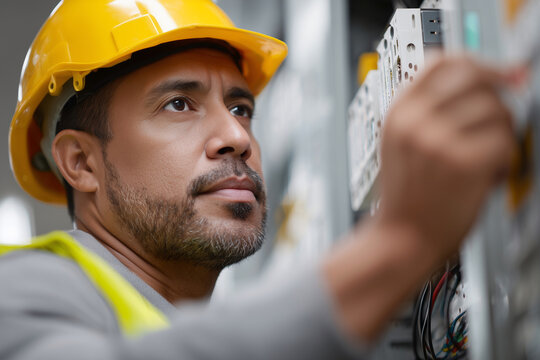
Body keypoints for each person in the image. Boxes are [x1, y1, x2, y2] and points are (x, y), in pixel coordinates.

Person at [1, 0, 516, 359]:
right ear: (81, 164)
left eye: (241, 107)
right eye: (179, 104)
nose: (236, 136)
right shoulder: (25, 287)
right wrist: (404, 240)